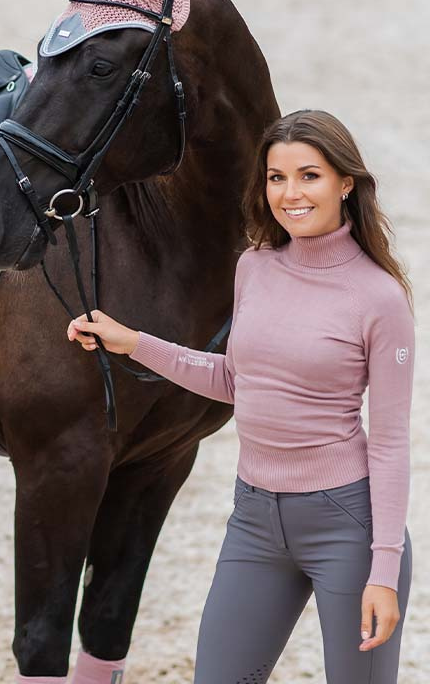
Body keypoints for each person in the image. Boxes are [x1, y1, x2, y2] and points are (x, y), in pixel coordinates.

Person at [66, 110, 414, 684]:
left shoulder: (380, 299)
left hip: (347, 526)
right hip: (255, 521)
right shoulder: (254, 267)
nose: (290, 194)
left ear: (346, 184)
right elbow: (235, 380)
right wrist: (133, 342)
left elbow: (392, 442)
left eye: (309, 176)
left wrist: (384, 569)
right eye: (277, 177)